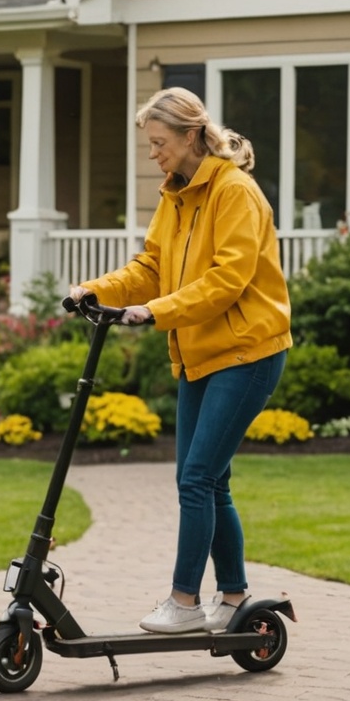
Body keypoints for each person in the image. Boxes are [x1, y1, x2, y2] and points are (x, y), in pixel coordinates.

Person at [69, 86, 292, 635]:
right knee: (208, 481)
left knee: (196, 478)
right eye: (150, 144)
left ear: (191, 135)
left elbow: (227, 279)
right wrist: (96, 290)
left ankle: (184, 601)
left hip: (247, 351)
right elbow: (150, 264)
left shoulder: (234, 192)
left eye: (160, 142)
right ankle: (235, 594)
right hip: (199, 352)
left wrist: (155, 311)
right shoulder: (176, 194)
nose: (154, 155)